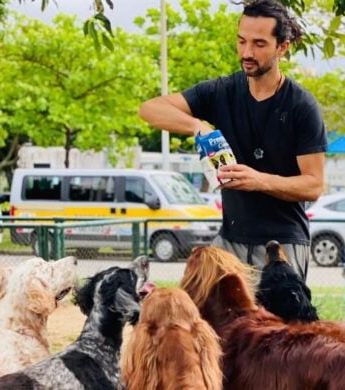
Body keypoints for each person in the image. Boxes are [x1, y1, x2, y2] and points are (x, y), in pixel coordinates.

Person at [138, 0, 326, 280]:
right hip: (228, 241)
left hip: (283, 245)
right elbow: (149, 109)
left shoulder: (301, 106)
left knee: (279, 326)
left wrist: (259, 180)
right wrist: (196, 125)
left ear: (282, 47)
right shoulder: (221, 91)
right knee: (202, 319)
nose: (247, 52)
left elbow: (314, 184)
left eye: (259, 44)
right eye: (241, 41)